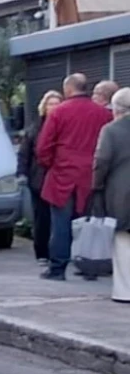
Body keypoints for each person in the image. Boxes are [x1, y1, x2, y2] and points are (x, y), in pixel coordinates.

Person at [36, 73, 112, 281]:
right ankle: (89, 266)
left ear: (68, 89)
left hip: (63, 174)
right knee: (89, 224)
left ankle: (58, 268)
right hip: (91, 176)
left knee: (60, 224)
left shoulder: (59, 112)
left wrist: (50, 164)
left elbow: (44, 147)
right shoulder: (103, 114)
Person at [92, 88, 130, 303]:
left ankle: (125, 291)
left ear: (116, 109)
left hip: (121, 193)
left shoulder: (111, 130)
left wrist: (96, 186)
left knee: (123, 241)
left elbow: (101, 161)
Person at [19, 90, 63, 265]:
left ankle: (57, 252)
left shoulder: (64, 126)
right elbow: (24, 154)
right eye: (51, 104)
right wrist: (22, 173)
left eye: (57, 104)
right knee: (41, 217)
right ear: (44, 107)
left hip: (58, 177)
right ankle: (42, 252)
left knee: (58, 217)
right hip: (38, 179)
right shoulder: (35, 129)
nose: (53, 107)